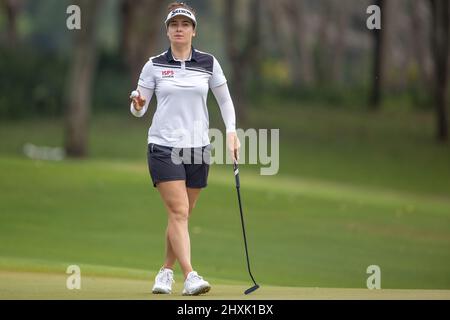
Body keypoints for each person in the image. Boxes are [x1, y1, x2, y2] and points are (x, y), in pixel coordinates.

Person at [129, 2, 240, 296]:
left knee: (182, 214)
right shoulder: (153, 65)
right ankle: (190, 276)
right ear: (167, 31)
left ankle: (165, 271)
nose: (180, 29)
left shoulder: (208, 63)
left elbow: (225, 101)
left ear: (194, 31)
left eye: (185, 24)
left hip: (198, 148)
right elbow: (138, 108)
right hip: (163, 146)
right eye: (174, 25)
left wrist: (231, 133)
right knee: (178, 210)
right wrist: (137, 104)